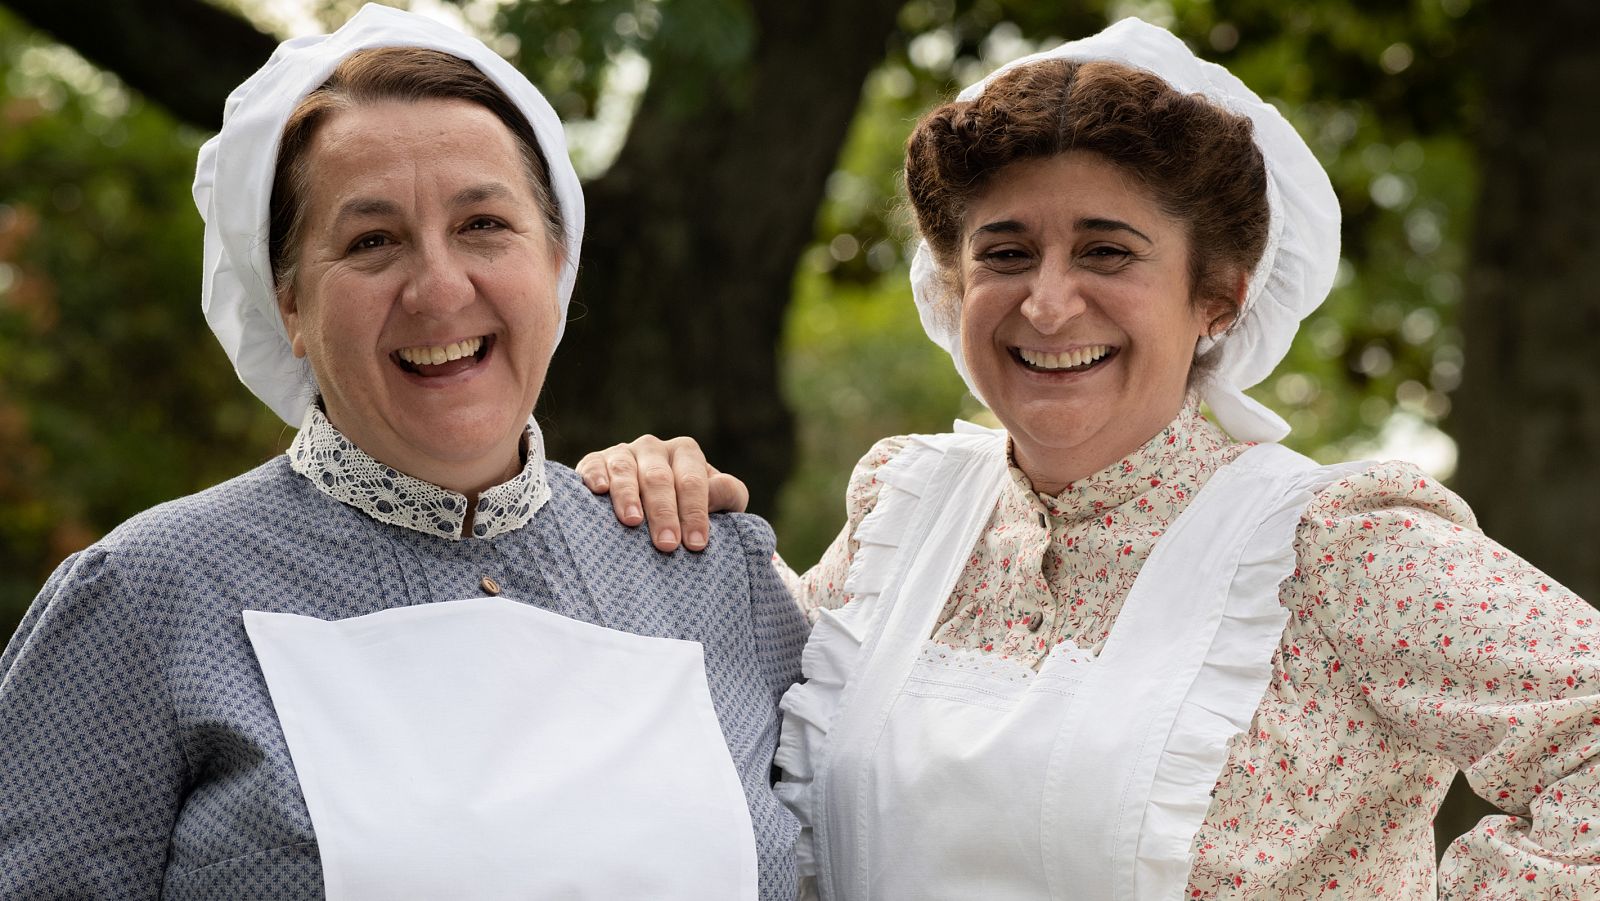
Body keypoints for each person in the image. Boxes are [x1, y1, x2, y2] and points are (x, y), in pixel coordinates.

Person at [580, 18, 1600, 899]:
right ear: (951, 281)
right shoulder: (902, 515)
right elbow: (712, 766)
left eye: (1107, 251)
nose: (1048, 301)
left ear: (1217, 297)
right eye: (1006, 251)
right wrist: (643, 501)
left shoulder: (1331, 548)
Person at [0, 6, 805, 899]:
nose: (437, 288)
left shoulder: (714, 573)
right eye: (371, 241)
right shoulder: (148, 598)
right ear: (292, 304)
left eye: (483, 225)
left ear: (556, 259)